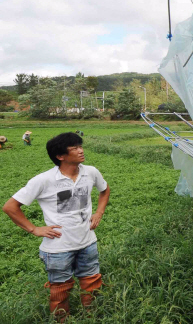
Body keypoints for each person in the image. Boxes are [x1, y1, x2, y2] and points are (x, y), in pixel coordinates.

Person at [2, 132, 111, 321]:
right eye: (74, 148)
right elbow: (10, 207)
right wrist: (34, 229)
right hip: (58, 248)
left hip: (88, 242)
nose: (81, 150)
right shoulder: (44, 180)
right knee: (60, 290)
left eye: (80, 146)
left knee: (91, 282)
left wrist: (99, 212)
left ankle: (93, 317)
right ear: (60, 156)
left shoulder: (90, 172)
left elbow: (105, 190)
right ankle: (62, 319)